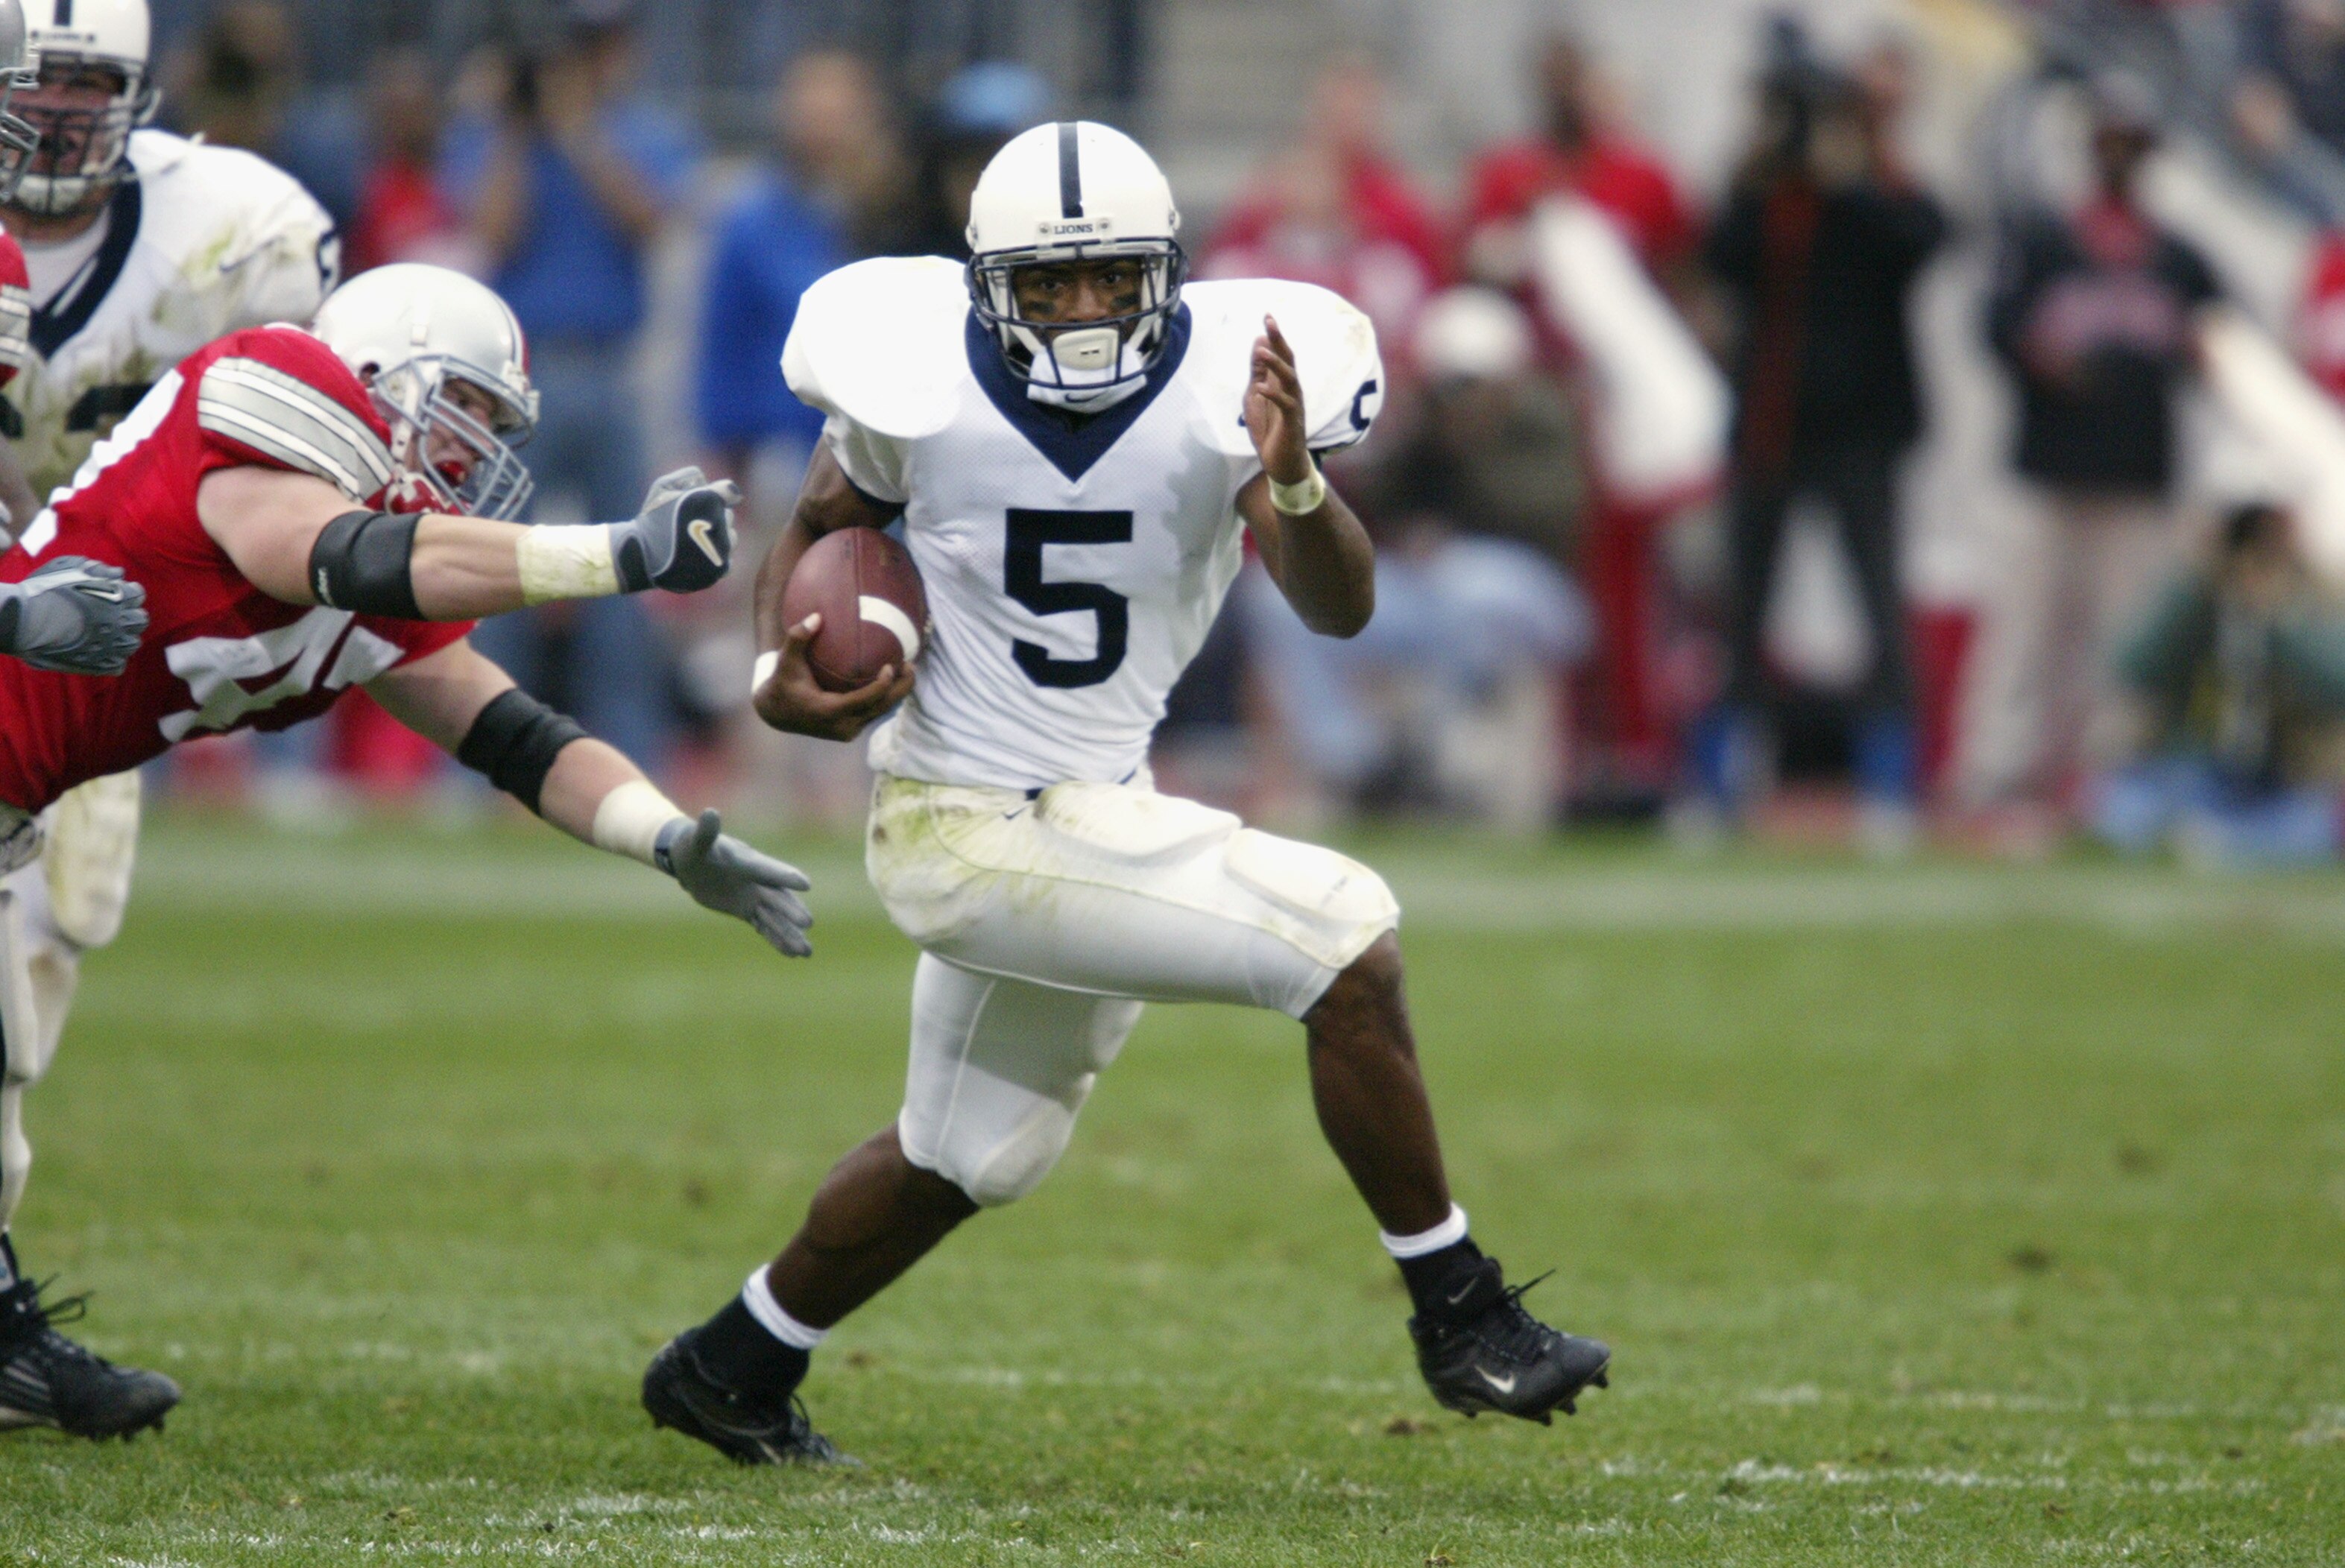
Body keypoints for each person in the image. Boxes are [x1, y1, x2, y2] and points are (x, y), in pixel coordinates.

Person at [642, 122, 1611, 1467]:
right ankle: (1462, 1309)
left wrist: (1292, 477)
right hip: (966, 819)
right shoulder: (912, 375)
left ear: (1164, 271)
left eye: (1111, 277)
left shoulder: (1237, 385)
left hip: (1089, 802)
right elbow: (814, 528)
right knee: (1343, 934)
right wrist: (773, 667)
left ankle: (728, 1366)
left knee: (969, 1153)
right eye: (1050, 283)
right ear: (991, 285)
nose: (1086, 308)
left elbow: (1340, 608)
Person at [0, 263, 798, 1442]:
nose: (477, 448)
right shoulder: (275, 386)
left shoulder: (389, 569)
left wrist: (667, 837)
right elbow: (326, 555)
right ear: (373, 375)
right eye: (467, 407)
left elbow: (510, 731)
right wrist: (617, 555)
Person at [0, 0, 347, 1331]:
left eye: (97, 84)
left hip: (98, 645)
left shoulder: (233, 231)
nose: (70, 110)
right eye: (45, 81)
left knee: (39, 957)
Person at [1696, 37, 1947, 849]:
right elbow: (1719, 255)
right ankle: (1726, 778)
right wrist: (1760, 165)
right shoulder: (1765, 197)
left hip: (1859, 434)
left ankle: (1887, 787)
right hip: (1769, 432)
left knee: (1877, 603)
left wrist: (1862, 166)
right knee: (1742, 606)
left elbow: (1925, 239)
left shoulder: (1865, 198)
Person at [445, 0, 698, 774]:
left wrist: (579, 128)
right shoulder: (501, 137)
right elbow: (489, 234)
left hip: (611, 368)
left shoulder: (642, 131)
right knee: (489, 570)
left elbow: (650, 221)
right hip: (517, 376)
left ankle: (625, 755)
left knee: (624, 576)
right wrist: (523, 130)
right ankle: (483, 753)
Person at [1967, 83, 2221, 821]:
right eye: (2108, 140)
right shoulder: (2044, 242)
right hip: (2045, 471)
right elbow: (1994, 329)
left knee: (2124, 643)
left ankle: (2117, 779)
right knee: (2021, 633)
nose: (2118, 156)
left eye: (2131, 143)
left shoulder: (2177, 259)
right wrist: (2041, 357)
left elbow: (2213, 347)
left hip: (2135, 475)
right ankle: (1999, 772)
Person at [2093, 502, 2345, 866]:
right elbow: (2131, 669)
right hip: (2191, 770)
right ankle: (2213, 839)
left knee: (2311, 828)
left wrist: (2279, 617)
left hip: (2283, 782)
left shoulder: (2320, 589)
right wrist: (2196, 587)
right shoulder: (2194, 586)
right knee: (2122, 809)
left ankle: (2221, 841)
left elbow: (2337, 685)